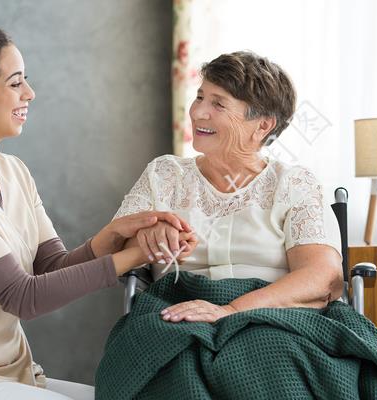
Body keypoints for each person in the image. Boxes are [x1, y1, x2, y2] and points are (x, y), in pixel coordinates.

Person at [0, 22, 197, 400]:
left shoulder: (14, 172)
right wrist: (135, 255)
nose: (29, 93)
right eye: (15, 83)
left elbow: (49, 269)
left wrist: (108, 240)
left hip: (13, 376)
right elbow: (23, 296)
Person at [116, 50, 344, 323]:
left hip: (274, 321)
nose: (198, 112)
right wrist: (148, 233)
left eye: (218, 104)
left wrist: (232, 310)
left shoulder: (294, 184)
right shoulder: (164, 175)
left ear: (262, 126)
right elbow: (113, 251)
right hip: (174, 316)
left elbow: (323, 278)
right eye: (199, 97)